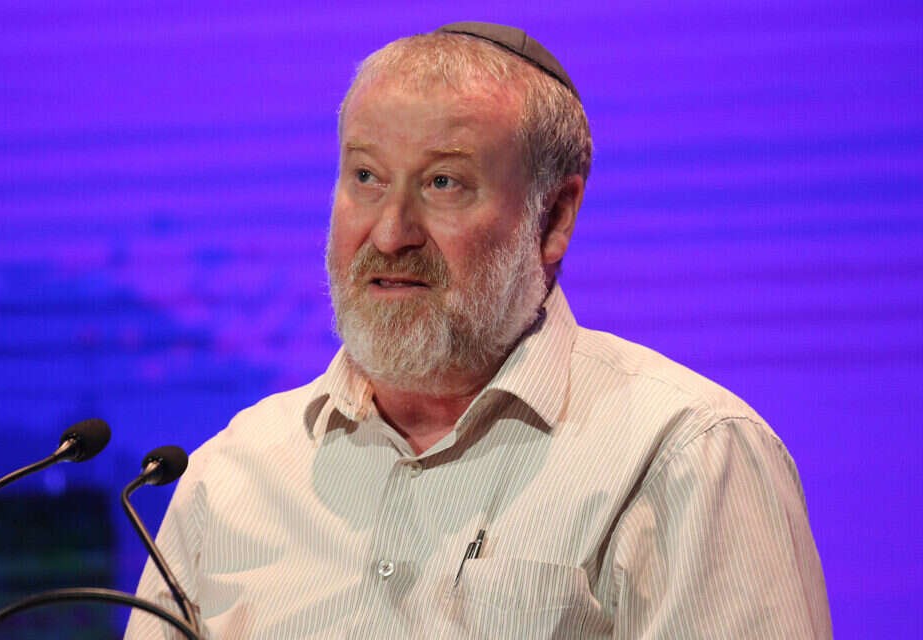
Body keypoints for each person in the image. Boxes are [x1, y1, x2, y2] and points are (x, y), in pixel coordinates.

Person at [125, 22, 832, 639]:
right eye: (366, 176)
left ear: (553, 217)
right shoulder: (231, 476)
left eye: (444, 183)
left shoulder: (685, 456)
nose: (391, 233)